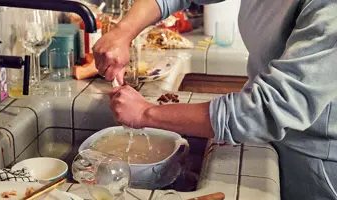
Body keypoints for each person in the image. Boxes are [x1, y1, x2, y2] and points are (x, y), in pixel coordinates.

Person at [93, 0, 337, 199]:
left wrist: (145, 113)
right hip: (268, 141)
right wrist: (123, 32)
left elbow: (269, 110)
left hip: (316, 163)